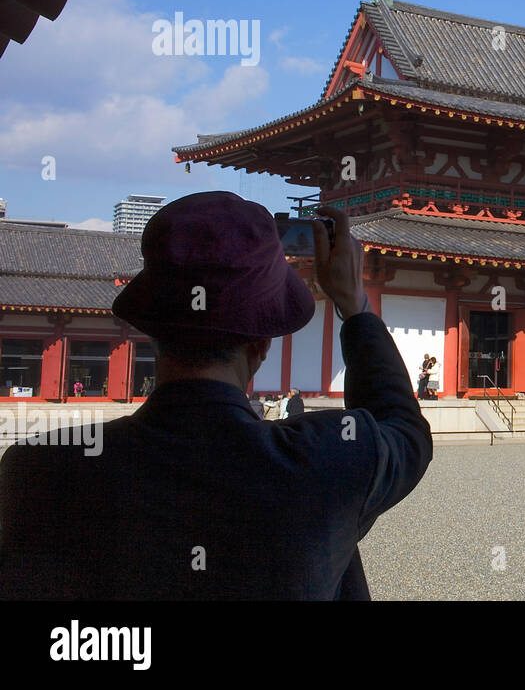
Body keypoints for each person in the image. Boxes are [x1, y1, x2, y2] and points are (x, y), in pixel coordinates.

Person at [0, 192, 432, 599]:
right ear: (261, 344)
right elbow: (404, 427)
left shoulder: (39, 470)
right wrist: (354, 306)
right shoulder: (328, 460)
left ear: (151, 332)